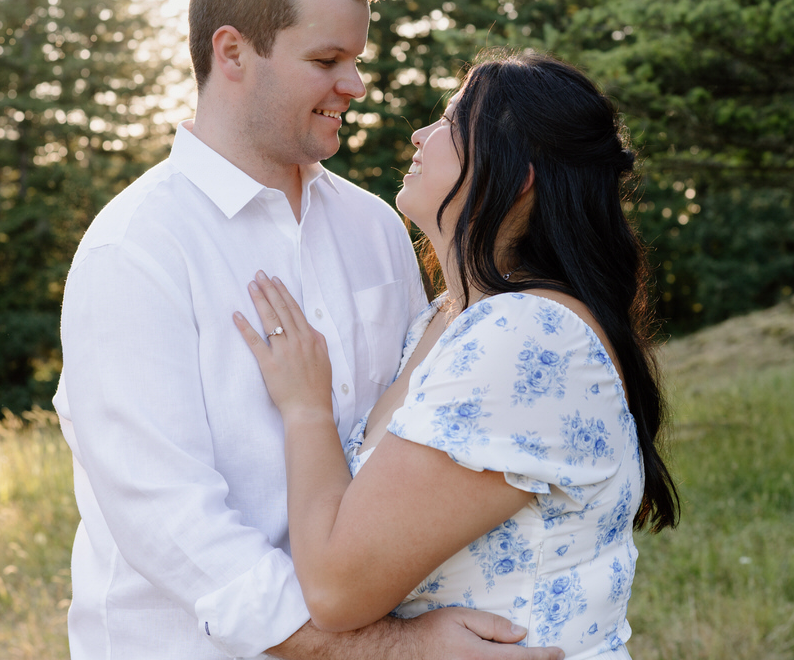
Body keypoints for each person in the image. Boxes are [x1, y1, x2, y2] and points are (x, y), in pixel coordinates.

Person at [53, 0, 566, 660]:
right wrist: (390, 650)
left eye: (356, 60)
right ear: (231, 52)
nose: (355, 87)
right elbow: (170, 522)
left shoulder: (376, 227)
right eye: (327, 60)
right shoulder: (136, 248)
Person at [235, 52, 679, 657]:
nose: (420, 134)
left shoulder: (526, 338)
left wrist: (306, 410)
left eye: (451, 119)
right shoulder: (445, 317)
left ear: (517, 171)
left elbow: (336, 590)